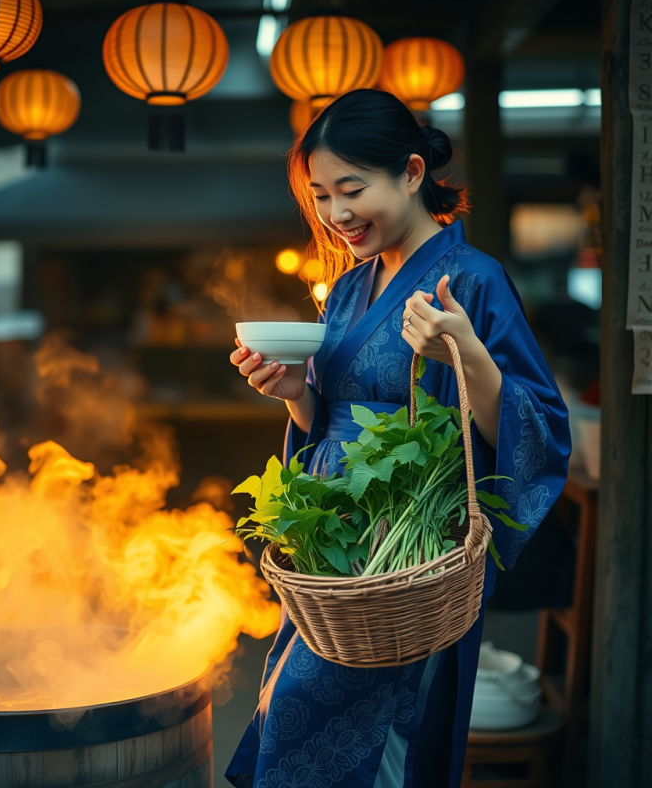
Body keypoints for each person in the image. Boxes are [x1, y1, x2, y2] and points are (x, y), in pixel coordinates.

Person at [226, 89, 571, 788]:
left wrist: (468, 355)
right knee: (286, 710)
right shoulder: (347, 289)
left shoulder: (473, 280)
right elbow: (326, 422)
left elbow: (540, 431)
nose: (336, 214)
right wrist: (293, 393)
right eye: (322, 196)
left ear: (413, 173)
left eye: (352, 190)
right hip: (331, 551)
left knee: (377, 739)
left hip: (407, 552)